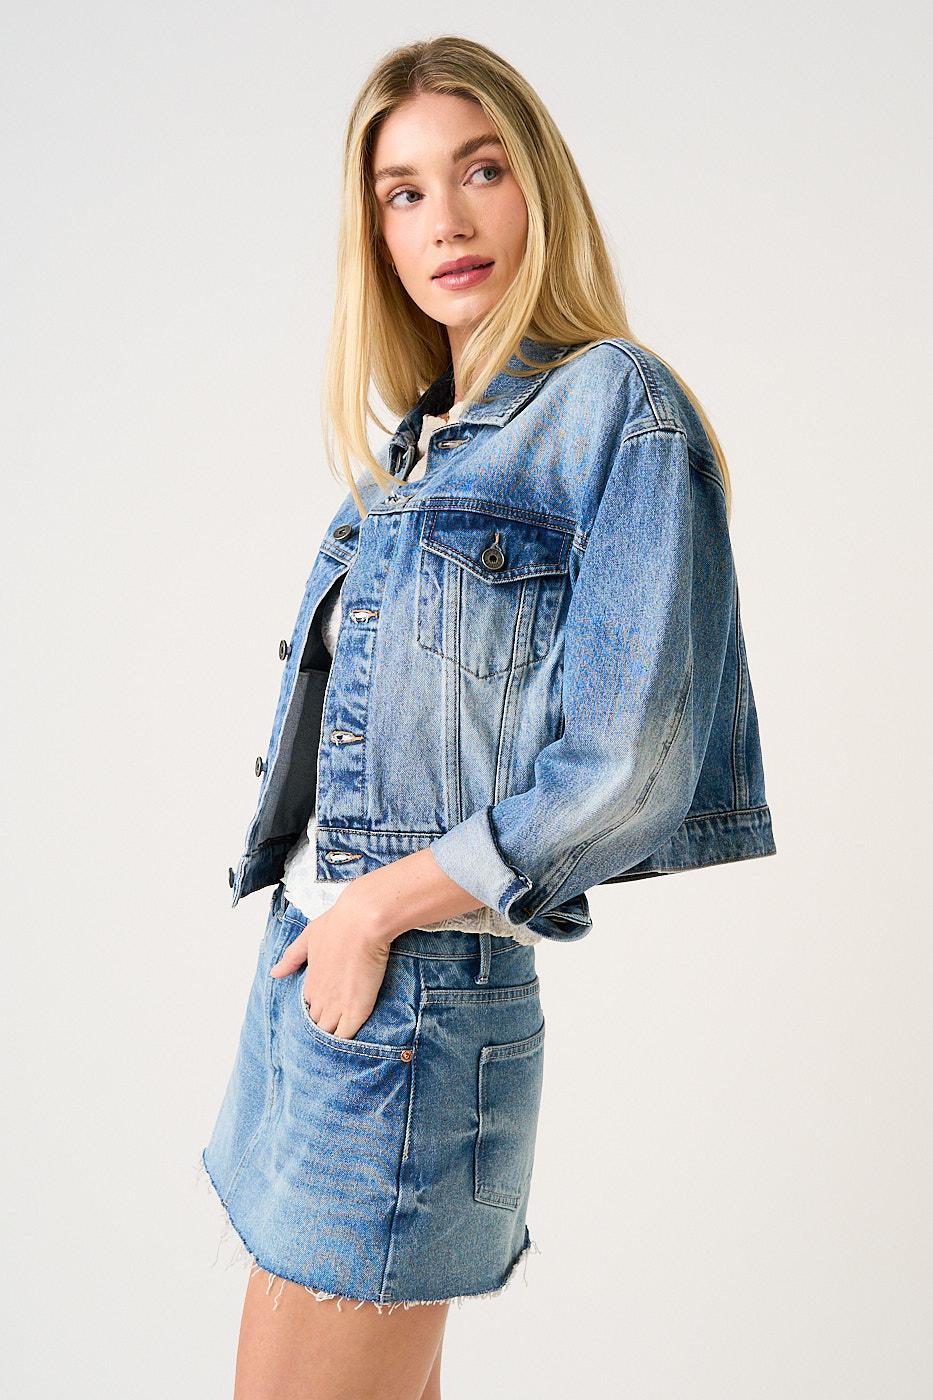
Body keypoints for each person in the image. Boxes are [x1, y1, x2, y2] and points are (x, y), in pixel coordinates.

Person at [197, 34, 776, 1400]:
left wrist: (375, 910)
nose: (444, 220)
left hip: (413, 996)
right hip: (320, 982)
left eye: (479, 170)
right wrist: (334, 922)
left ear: (539, 189)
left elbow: (626, 765)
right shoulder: (409, 452)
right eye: (401, 192)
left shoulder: (614, 411)